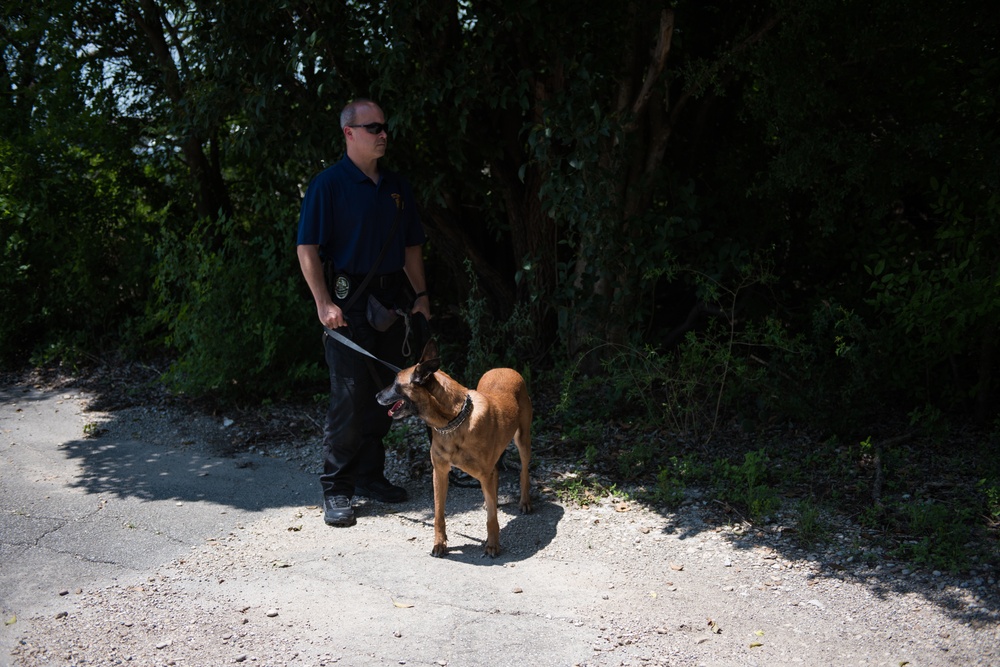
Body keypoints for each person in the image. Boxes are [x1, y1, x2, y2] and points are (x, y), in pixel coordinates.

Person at [296, 99, 431, 527]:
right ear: (348, 133)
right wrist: (323, 304)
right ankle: (336, 488)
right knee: (349, 399)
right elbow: (307, 248)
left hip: (392, 304)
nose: (382, 134)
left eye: (384, 127)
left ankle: (371, 477)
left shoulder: (396, 185)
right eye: (373, 127)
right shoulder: (328, 185)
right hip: (348, 304)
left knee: (386, 396)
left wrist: (422, 295)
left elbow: (412, 246)